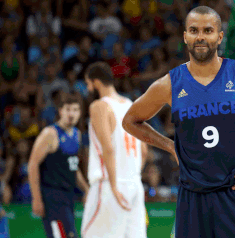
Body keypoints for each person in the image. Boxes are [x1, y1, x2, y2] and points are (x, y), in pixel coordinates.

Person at [122, 6, 235, 237]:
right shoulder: (170, 83)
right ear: (185, 36)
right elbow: (130, 121)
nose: (200, 36)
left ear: (219, 37)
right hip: (193, 197)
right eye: (194, 30)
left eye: (208, 30)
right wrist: (169, 145)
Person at [81, 61, 148, 238]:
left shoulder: (99, 106)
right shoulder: (130, 104)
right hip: (134, 184)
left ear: (96, 82)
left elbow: (108, 149)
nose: (87, 89)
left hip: (110, 185)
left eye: (88, 84)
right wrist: (131, 176)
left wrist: (114, 185)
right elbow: (144, 150)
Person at [28, 93, 89, 238]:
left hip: (68, 196)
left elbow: (73, 168)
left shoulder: (77, 135)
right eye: (68, 109)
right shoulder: (50, 134)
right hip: (51, 196)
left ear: (80, 113)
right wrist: (36, 198)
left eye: (75, 110)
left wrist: (87, 190)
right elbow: (32, 164)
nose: (71, 114)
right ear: (60, 111)